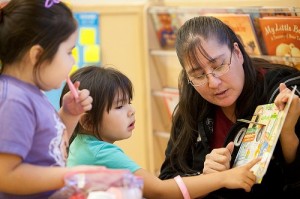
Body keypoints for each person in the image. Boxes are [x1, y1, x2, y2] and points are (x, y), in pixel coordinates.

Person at [61, 65, 260, 199]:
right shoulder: (102, 153)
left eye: (129, 103)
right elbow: (160, 190)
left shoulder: (78, 143)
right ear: (87, 120)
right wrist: (224, 178)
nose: (131, 110)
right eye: (120, 106)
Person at [158, 16, 300, 198]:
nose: (213, 83)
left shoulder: (282, 92)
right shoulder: (193, 104)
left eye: (218, 66)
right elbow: (166, 181)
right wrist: (206, 179)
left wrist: (288, 134)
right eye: (199, 75)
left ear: (238, 53)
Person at [0, 0, 99, 198]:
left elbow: (49, 146)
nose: (73, 61)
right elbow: (5, 175)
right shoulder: (13, 100)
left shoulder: (32, 93)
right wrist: (72, 175)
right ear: (37, 55)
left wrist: (69, 114)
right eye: (69, 52)